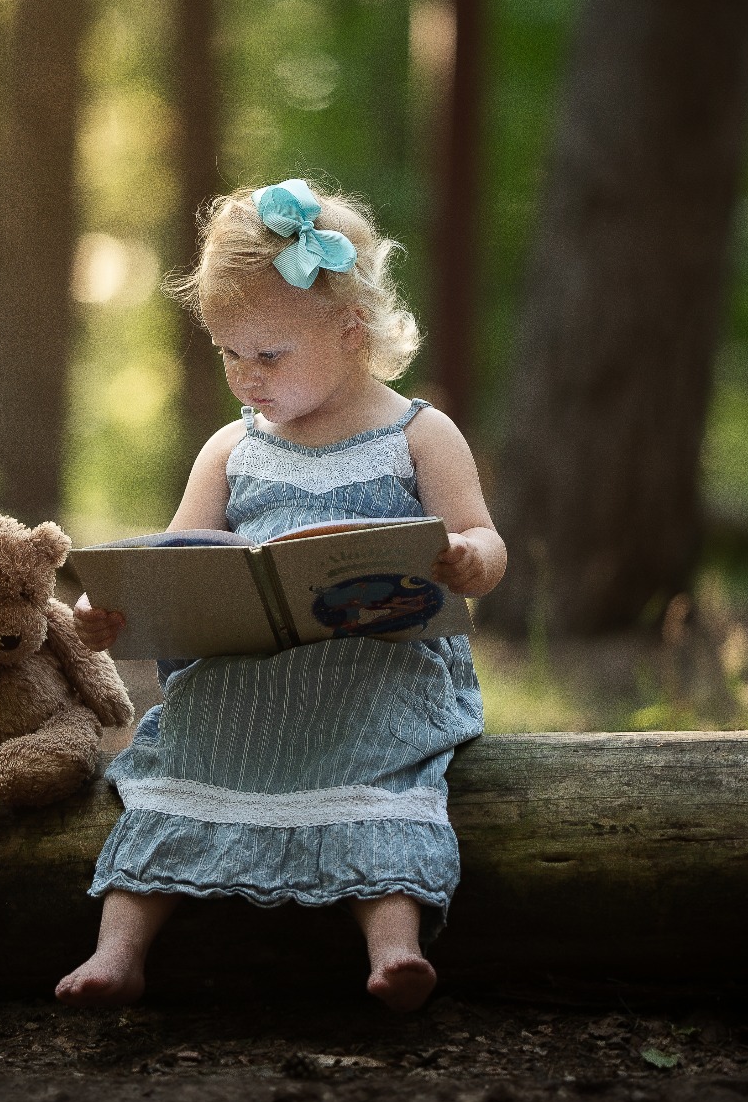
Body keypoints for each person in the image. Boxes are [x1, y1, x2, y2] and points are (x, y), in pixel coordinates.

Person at [57, 178, 506, 1012]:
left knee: (386, 772)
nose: (245, 376)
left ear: (351, 332)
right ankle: (117, 952)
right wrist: (108, 611)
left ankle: (394, 946)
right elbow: (178, 559)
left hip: (378, 668)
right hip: (247, 676)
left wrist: (468, 560)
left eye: (269, 355)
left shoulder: (418, 432)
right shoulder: (230, 448)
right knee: (177, 762)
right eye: (228, 352)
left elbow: (484, 537)